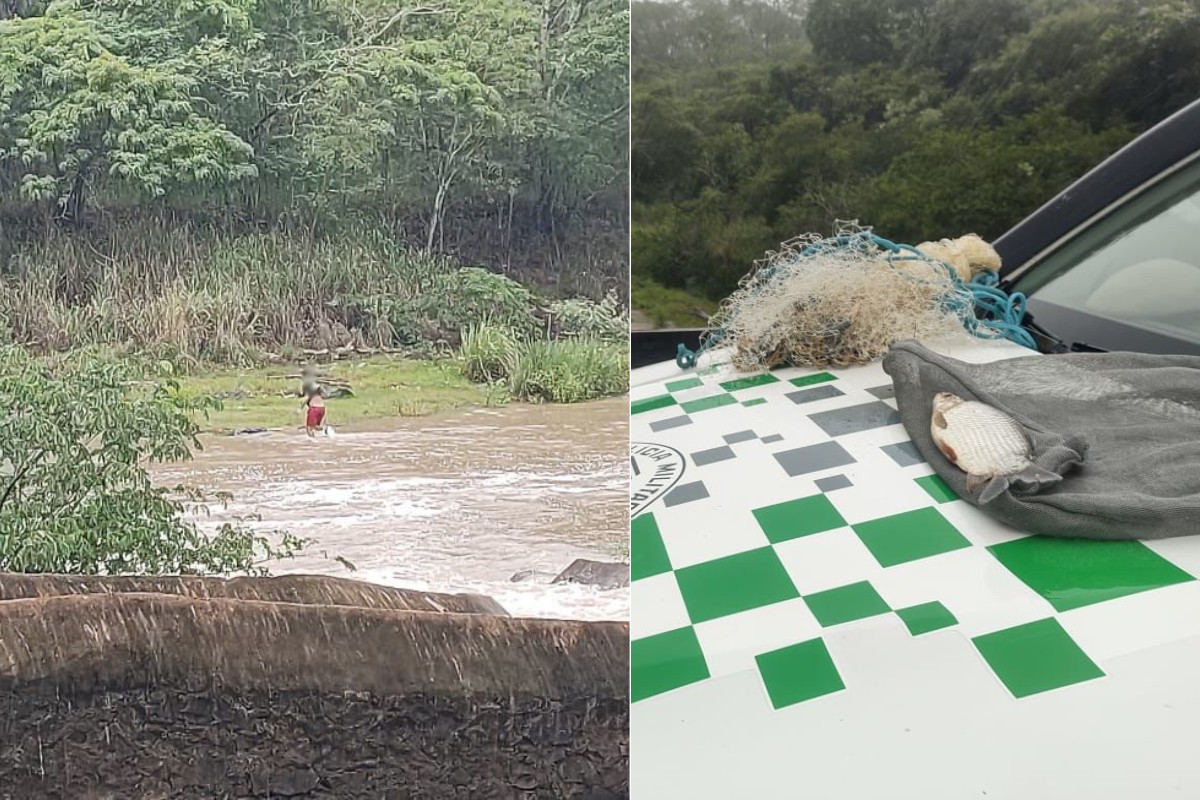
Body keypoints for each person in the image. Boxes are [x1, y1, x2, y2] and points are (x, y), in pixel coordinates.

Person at [300, 365, 328, 437]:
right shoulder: (318, 386)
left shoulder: (307, 385)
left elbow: (306, 398)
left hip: (314, 408)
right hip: (322, 408)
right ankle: (325, 430)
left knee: (309, 428)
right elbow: (325, 395)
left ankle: (312, 442)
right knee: (316, 427)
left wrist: (300, 408)